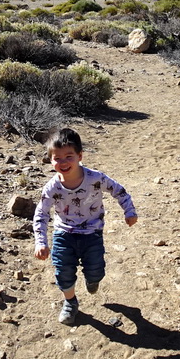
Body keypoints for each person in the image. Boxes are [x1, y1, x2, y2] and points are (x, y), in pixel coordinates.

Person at [33, 128, 138, 325]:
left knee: (96, 270)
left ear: (80, 156)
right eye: (57, 158)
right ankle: (70, 302)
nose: (63, 162)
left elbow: (119, 191)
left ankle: (93, 279)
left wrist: (129, 211)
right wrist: (41, 242)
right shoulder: (51, 188)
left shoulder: (95, 178)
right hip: (64, 234)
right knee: (63, 271)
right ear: (50, 160)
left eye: (69, 156)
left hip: (92, 233)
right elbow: (41, 214)